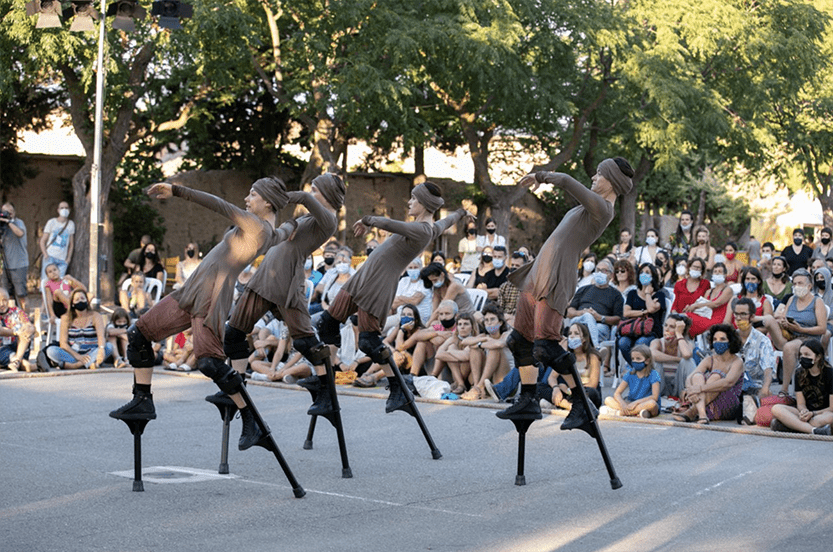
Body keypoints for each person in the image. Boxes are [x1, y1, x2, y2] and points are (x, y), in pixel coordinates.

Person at [110, 176, 294, 452]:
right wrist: (302, 207)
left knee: (209, 363)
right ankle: (142, 399)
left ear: (267, 201)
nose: (247, 199)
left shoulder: (255, 225)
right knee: (139, 334)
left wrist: (177, 190)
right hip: (191, 290)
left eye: (252, 194)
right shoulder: (273, 232)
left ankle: (251, 420)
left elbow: (218, 204)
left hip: (210, 295)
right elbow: (290, 228)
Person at [499, 156, 634, 430]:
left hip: (556, 277)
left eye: (599, 174)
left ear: (612, 181)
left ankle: (583, 404)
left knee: (546, 346)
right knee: (519, 341)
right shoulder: (588, 207)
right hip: (537, 273)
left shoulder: (603, 208)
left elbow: (567, 181)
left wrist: (540, 176)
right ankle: (528, 398)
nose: (594, 178)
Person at [315, 182, 471, 414]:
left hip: (377, 284)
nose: (409, 202)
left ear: (425, 205)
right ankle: (325, 379)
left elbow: (389, 224)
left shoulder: (423, 230)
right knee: (326, 322)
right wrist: (461, 213)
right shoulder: (430, 227)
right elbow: (446, 221)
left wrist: (367, 220)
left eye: (413, 199)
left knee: (368, 341)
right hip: (364, 277)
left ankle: (398, 387)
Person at [768, 269, 827, 394]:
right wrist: (784, 323)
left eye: (800, 283)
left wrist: (800, 329)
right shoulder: (791, 299)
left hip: (808, 338)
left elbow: (822, 329)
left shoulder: (817, 301)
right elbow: (783, 316)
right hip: (790, 334)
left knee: (789, 348)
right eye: (794, 284)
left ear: (809, 286)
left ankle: (784, 390)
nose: (796, 287)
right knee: (768, 320)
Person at [674, 324, 744, 424]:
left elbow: (728, 382)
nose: (717, 342)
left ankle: (693, 411)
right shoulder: (710, 359)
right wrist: (690, 390)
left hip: (727, 404)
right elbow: (690, 377)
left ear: (730, 341)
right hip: (707, 403)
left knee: (716, 375)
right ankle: (702, 415)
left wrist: (700, 388)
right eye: (715, 339)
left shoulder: (737, 361)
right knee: (697, 375)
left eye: (722, 339)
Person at [770, 338, 833, 435]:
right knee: (776, 408)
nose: (803, 358)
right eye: (801, 355)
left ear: (818, 357)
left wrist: (812, 414)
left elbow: (831, 408)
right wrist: (804, 412)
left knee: (830, 417)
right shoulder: (799, 373)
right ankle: (814, 430)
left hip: (822, 414)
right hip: (804, 414)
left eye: (807, 355)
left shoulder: (830, 373)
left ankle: (793, 425)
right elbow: (800, 403)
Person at [46, 289, 113, 369]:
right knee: (51, 351)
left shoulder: (95, 316)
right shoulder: (66, 318)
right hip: (73, 354)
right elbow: (63, 343)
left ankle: (75, 365)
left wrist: (101, 349)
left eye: (82, 298)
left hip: (92, 350)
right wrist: (78, 357)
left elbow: (101, 336)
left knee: (109, 346)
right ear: (72, 303)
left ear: (87, 301)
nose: (80, 301)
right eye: (77, 300)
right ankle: (89, 364)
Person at [564, 258, 623, 348]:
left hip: (601, 324)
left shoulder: (616, 295)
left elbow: (618, 318)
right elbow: (569, 312)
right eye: (598, 270)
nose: (600, 273)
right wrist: (582, 312)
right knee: (586, 319)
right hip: (579, 320)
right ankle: (597, 347)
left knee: (593, 328)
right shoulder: (583, 289)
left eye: (604, 271)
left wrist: (600, 317)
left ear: (611, 275)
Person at [544, 322, 602, 410]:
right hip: (569, 393)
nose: (572, 336)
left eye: (576, 333)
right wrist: (556, 389)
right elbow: (551, 377)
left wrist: (569, 390)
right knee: (540, 387)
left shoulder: (593, 357)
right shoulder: (566, 356)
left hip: (585, 392)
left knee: (591, 392)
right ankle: (569, 405)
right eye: (570, 333)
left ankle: (563, 404)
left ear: (584, 339)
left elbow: (593, 384)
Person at [460, 303, 511, 400]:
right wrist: (484, 340)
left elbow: (499, 344)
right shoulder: (484, 336)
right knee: (474, 349)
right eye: (486, 320)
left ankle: (479, 387)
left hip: (504, 378)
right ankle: (477, 386)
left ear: (500, 322)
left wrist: (480, 344)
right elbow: (465, 341)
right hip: (489, 379)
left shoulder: (507, 334)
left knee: (494, 349)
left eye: (492, 319)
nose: (489, 323)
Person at [618, 263, 665, 364]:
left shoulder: (660, 294)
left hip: (651, 331)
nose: (644, 275)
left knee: (640, 343)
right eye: (642, 272)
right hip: (633, 329)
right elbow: (626, 313)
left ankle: (638, 369)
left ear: (653, 276)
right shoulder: (632, 294)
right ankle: (635, 367)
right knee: (622, 343)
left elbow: (651, 309)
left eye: (647, 272)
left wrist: (648, 293)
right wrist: (644, 312)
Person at [732, 297, 775, 405]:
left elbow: (768, 369)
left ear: (752, 317)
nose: (738, 318)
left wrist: (765, 388)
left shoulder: (762, 340)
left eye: (743, 314)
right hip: (731, 385)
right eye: (736, 314)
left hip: (754, 387)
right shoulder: (730, 337)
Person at [603, 345, 660, 418]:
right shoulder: (630, 373)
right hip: (630, 403)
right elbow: (617, 393)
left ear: (647, 360)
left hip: (644, 403)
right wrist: (623, 404)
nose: (635, 361)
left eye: (638, 359)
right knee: (608, 399)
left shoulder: (654, 374)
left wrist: (636, 403)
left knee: (652, 404)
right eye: (633, 359)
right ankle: (636, 413)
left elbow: (655, 397)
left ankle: (620, 413)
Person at [434, 312, 482, 395]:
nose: (462, 327)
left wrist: (449, 353)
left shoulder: (475, 339)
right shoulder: (454, 339)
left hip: (471, 376)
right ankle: (460, 384)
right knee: (451, 346)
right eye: (460, 324)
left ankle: (461, 384)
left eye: (466, 324)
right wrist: (453, 353)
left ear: (472, 327)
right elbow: (438, 355)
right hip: (456, 375)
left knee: (452, 350)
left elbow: (466, 356)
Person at [650, 314, 695, 398]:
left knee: (688, 361)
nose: (666, 329)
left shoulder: (686, 344)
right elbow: (653, 354)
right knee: (654, 360)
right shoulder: (657, 342)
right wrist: (677, 359)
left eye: (672, 326)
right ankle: (655, 397)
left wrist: (678, 334)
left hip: (679, 387)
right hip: (661, 386)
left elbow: (687, 354)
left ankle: (690, 395)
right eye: (666, 325)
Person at [683, 262, 734, 337]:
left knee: (686, 320)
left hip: (717, 320)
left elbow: (716, 304)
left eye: (720, 272)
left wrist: (696, 306)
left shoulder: (728, 290)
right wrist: (691, 307)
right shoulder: (709, 291)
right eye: (715, 272)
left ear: (725, 275)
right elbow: (702, 306)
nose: (717, 274)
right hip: (705, 317)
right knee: (683, 317)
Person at [0, 202, 29, 311]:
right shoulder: (2, 226)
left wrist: (9, 221)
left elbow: (20, 233)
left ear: (14, 213)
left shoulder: (18, 222)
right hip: (6, 266)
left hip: (19, 265)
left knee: (21, 295)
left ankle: (26, 320)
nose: (6, 214)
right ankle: (12, 319)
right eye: (4, 212)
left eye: (9, 212)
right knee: (8, 295)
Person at [0, 288, 35, 371]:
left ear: (8, 300)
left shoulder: (17, 312)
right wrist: (16, 332)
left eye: (5, 300)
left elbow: (30, 326)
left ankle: (17, 361)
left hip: (20, 347)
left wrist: (27, 329)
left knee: (26, 332)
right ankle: (28, 365)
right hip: (2, 350)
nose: (2, 304)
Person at [39, 201, 75, 278]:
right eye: (62, 208)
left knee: (59, 284)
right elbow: (42, 240)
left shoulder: (71, 224)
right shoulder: (51, 222)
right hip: (50, 257)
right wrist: (45, 254)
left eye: (66, 208)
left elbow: (71, 244)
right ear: (58, 210)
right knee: (46, 283)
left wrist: (68, 259)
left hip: (62, 259)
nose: (64, 210)